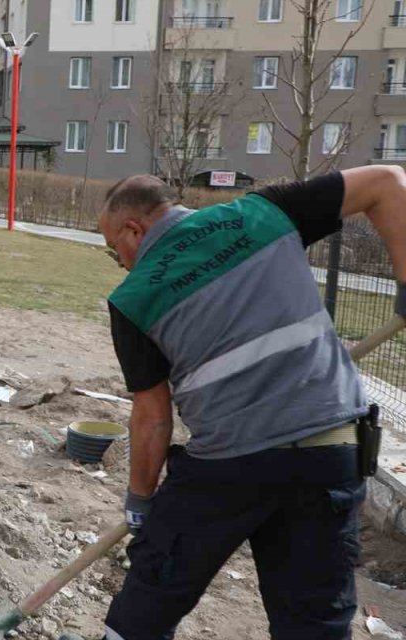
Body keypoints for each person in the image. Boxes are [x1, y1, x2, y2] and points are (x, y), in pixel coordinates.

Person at [71, 167, 406, 640]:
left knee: (149, 598)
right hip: (327, 454)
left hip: (228, 468)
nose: (121, 263)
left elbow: (152, 420)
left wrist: (140, 504)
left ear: (134, 229)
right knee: (313, 622)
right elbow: (388, 181)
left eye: (114, 250)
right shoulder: (263, 213)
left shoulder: (134, 296)